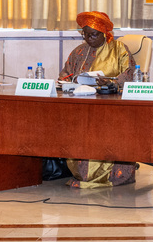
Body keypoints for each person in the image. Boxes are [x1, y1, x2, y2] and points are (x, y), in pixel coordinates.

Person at [58, 11, 137, 188]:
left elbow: (131, 75)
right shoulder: (79, 51)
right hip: (81, 105)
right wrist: (69, 80)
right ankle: (79, 171)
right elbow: (64, 74)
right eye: (85, 34)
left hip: (111, 106)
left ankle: (107, 175)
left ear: (104, 33)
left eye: (93, 34)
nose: (89, 38)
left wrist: (110, 82)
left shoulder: (119, 49)